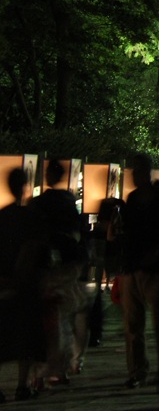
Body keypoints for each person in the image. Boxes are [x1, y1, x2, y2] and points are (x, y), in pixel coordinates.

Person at [116, 154, 159, 392]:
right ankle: (138, 371)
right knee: (134, 325)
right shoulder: (132, 200)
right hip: (133, 267)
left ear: (146, 171)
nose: (134, 175)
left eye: (137, 171)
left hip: (156, 268)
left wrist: (156, 252)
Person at [29, 160, 88, 386]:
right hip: (69, 265)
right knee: (63, 319)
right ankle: (60, 370)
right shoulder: (68, 201)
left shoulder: (39, 203)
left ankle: (41, 372)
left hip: (46, 266)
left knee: (46, 322)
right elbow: (78, 232)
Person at [0, 168, 48, 402]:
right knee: (26, 337)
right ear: (25, 186)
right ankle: (22, 385)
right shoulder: (32, 217)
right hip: (26, 284)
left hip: (2, 283)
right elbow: (35, 250)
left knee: (3, 335)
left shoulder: (2, 216)